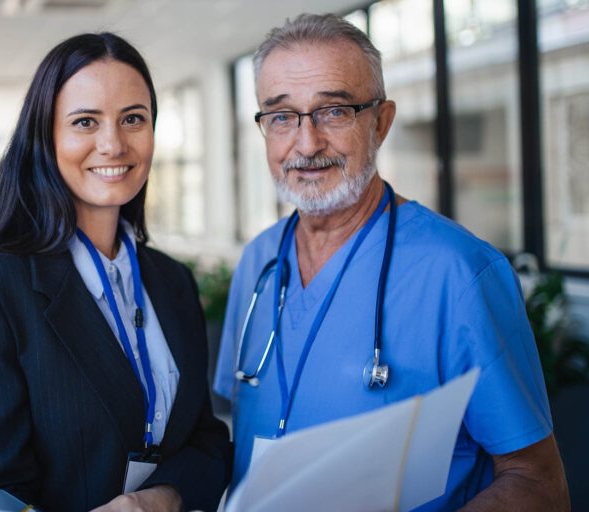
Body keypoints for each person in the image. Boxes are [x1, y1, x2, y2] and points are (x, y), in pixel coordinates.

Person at [213, 13, 569, 510]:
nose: (307, 143)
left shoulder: (459, 272)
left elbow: (537, 483)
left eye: (334, 111)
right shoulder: (258, 262)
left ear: (380, 122)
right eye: (282, 116)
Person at [0, 33, 232, 512]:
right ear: (46, 137)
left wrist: (154, 501)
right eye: (85, 121)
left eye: (133, 119)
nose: (113, 143)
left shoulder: (172, 281)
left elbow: (205, 438)